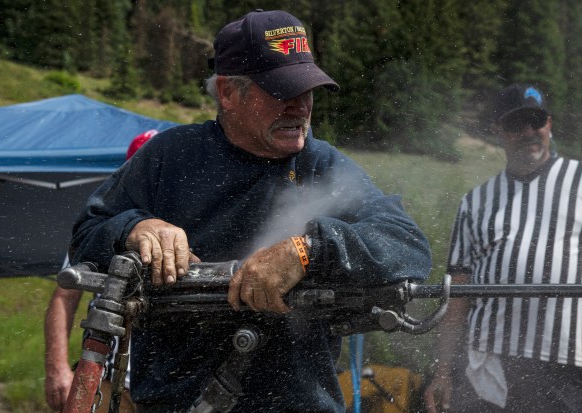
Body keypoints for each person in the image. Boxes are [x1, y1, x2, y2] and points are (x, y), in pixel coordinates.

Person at [69, 9, 432, 413]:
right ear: (227, 92)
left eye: (307, 89)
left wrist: (308, 250)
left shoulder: (323, 165)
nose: (300, 107)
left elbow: (407, 245)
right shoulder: (169, 157)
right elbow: (87, 234)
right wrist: (135, 228)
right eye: (282, 92)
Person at [424, 84, 582, 412]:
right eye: (515, 125)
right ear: (497, 131)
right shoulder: (475, 202)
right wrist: (442, 373)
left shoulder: (578, 181)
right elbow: (457, 297)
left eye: (535, 122)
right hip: (489, 363)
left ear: (549, 124)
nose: (528, 132)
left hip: (566, 363)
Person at [44, 129, 158, 413]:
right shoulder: (105, 229)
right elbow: (64, 296)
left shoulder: (193, 218)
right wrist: (57, 367)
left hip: (167, 380)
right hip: (104, 374)